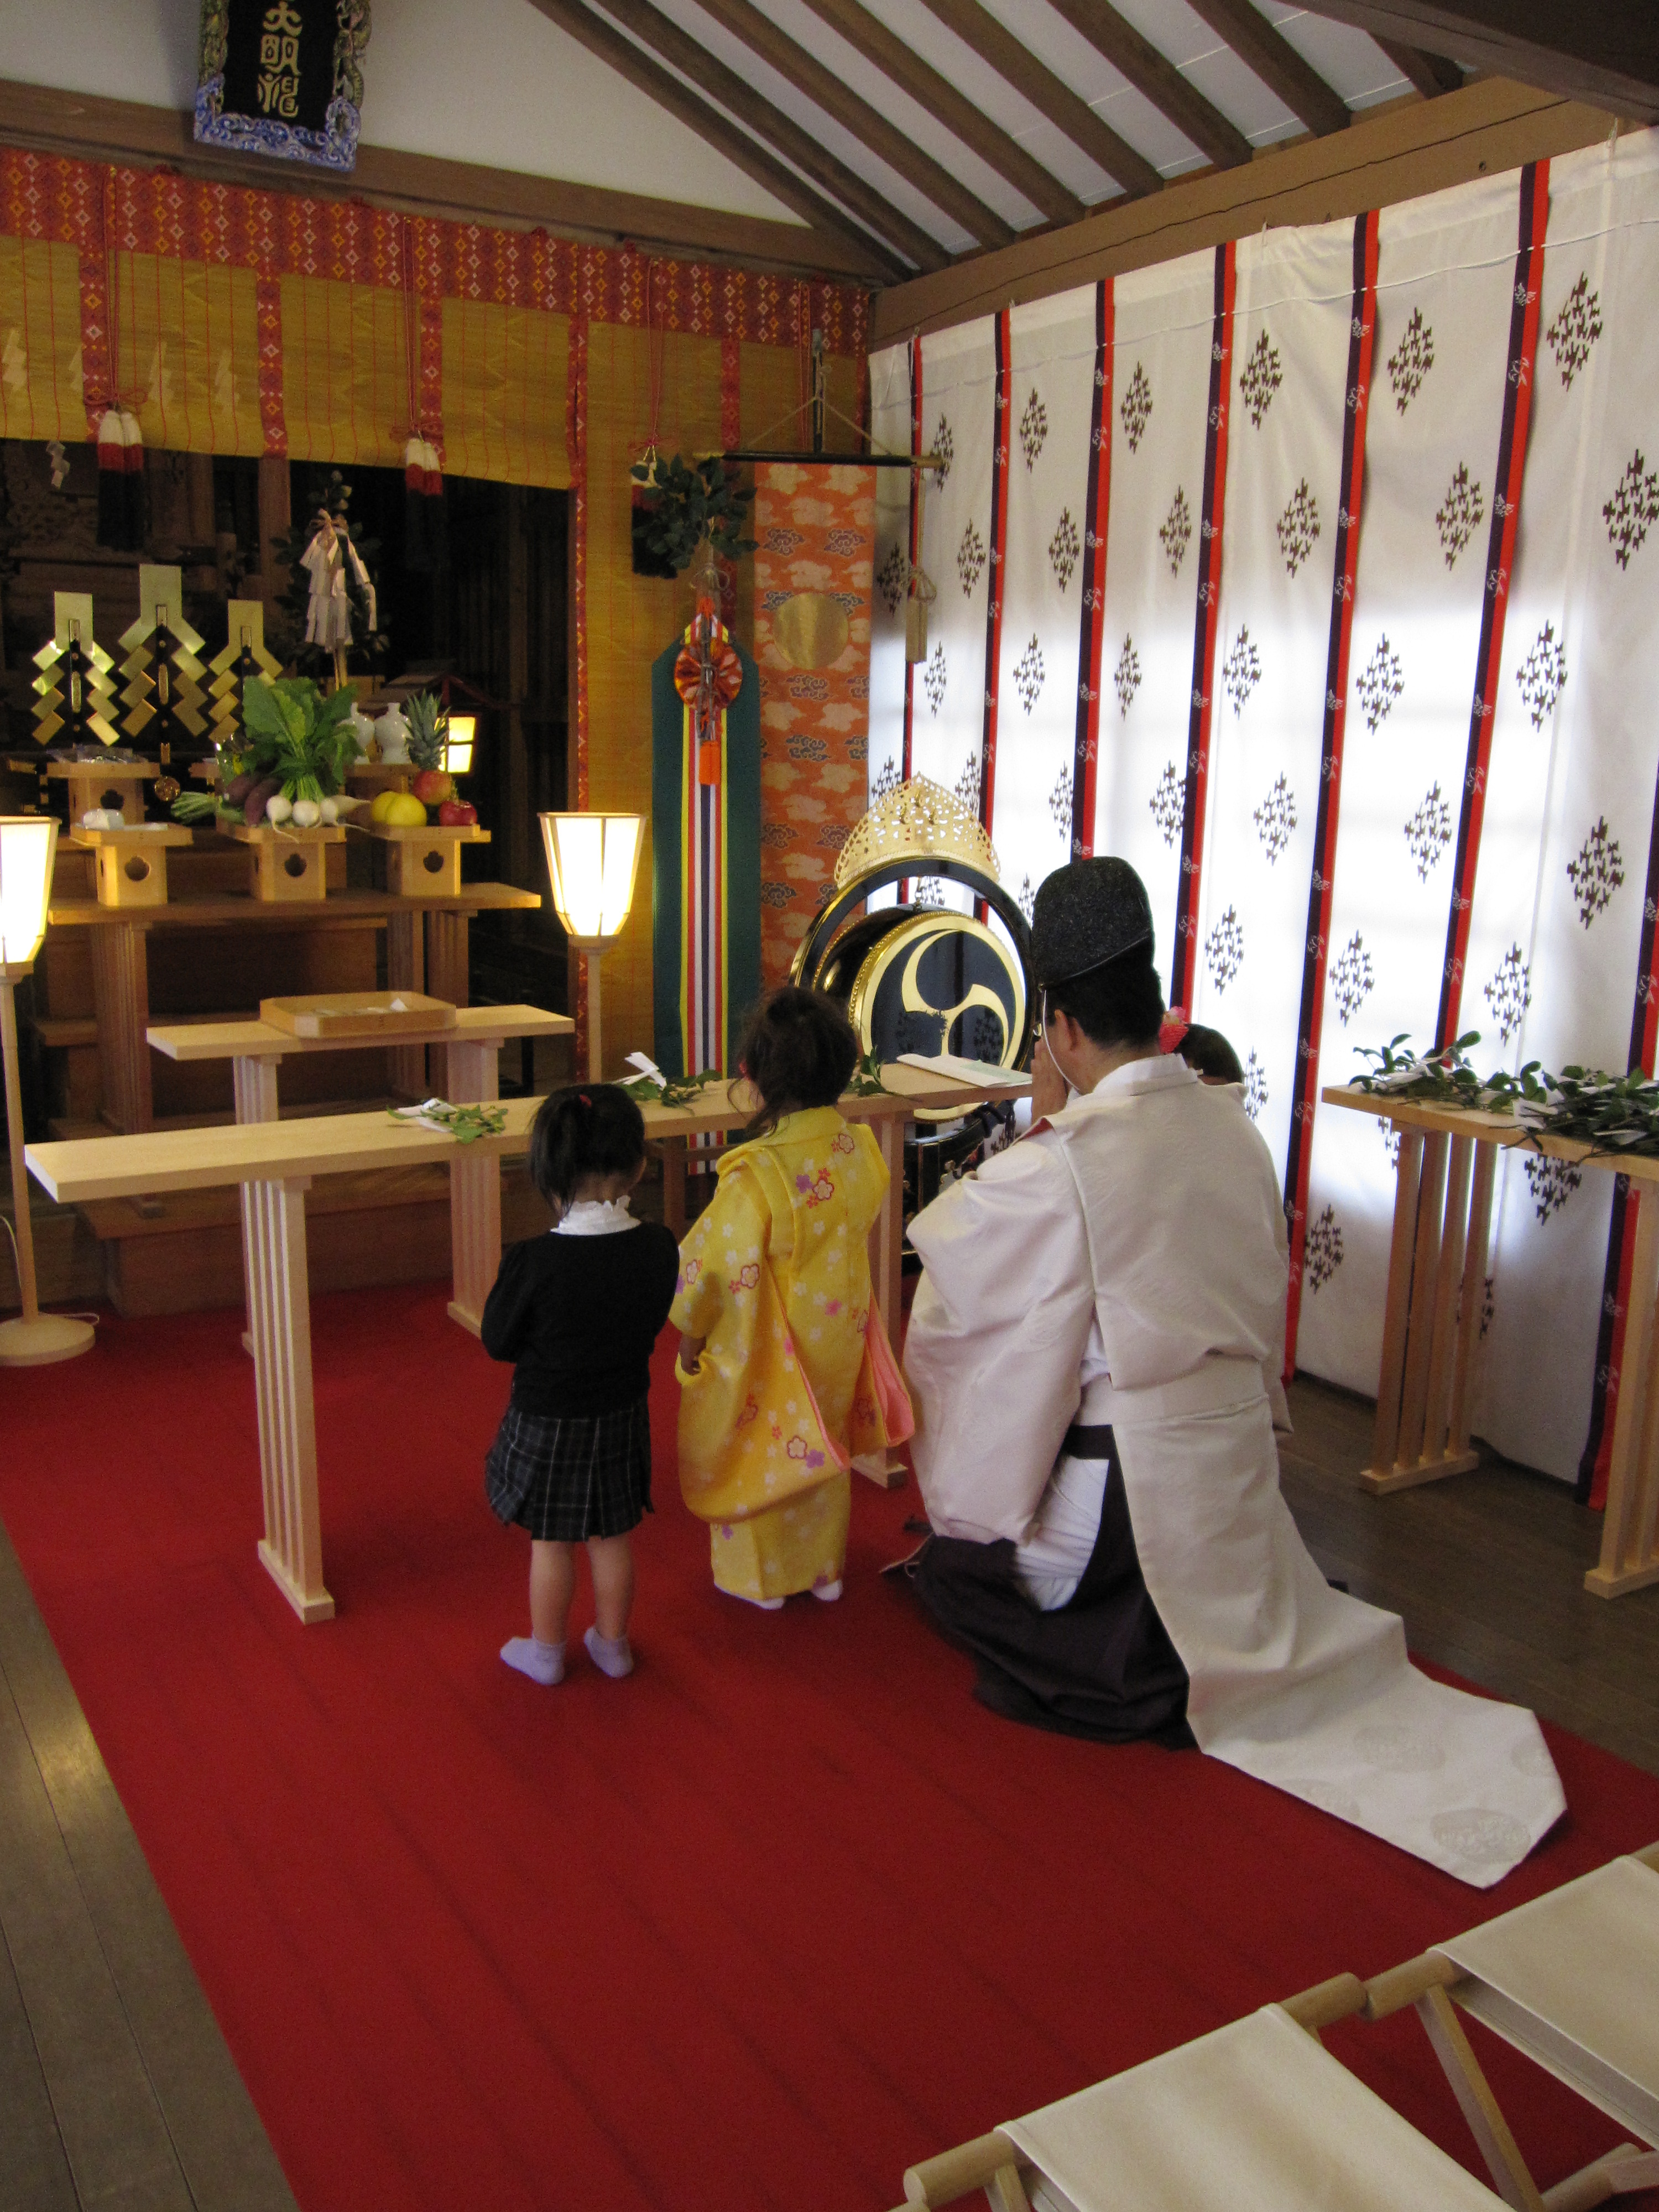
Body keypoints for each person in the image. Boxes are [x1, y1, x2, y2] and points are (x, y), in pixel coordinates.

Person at [900, 857, 1565, 1888]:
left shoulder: (1062, 1162)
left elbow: (955, 1295)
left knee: (958, 1574)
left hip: (1126, 1493)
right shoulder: (1234, 1127)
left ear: (1062, 1029)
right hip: (1240, 1477)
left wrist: (1039, 1119)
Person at [671, 987, 912, 1609]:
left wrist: (691, 1337)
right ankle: (823, 1568)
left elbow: (710, 1272)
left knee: (759, 1445)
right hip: (838, 1332)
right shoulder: (858, 1150)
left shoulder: (758, 1174)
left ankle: (764, 1580)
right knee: (822, 1439)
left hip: (772, 1344)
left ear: (754, 1078)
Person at [482, 1086, 679, 1685]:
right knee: (612, 1534)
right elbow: (654, 1317)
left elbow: (497, 1340)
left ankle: (547, 1652)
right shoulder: (658, 1246)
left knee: (552, 1541)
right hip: (622, 1410)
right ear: (639, 1166)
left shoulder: (533, 1261)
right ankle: (613, 1645)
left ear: (548, 1171)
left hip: (548, 1417)